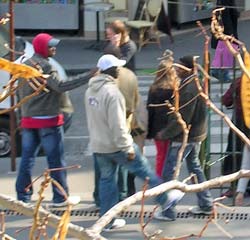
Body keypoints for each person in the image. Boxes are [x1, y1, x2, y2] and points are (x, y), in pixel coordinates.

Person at [85, 54, 184, 231]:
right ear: (111, 70)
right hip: (117, 144)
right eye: (117, 68)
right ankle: (165, 197)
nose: (119, 71)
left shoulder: (90, 90)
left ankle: (106, 220)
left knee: (107, 181)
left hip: (99, 145)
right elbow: (118, 124)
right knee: (144, 169)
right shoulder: (112, 93)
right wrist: (127, 147)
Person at [16, 33, 97, 206]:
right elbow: (61, 86)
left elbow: (18, 94)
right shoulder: (46, 67)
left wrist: (20, 117)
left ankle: (22, 197)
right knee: (56, 160)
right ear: (42, 49)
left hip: (29, 120)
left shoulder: (25, 65)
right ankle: (60, 197)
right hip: (49, 121)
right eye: (51, 46)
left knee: (27, 159)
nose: (54, 48)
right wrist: (88, 75)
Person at [157, 55, 213, 216]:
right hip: (196, 135)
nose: (176, 69)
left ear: (187, 69)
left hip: (184, 137)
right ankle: (206, 204)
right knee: (195, 168)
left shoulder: (189, 89)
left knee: (170, 172)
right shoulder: (194, 82)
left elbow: (182, 118)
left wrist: (165, 133)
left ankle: (168, 211)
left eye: (179, 67)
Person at [105, 20, 140, 197]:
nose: (109, 38)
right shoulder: (112, 45)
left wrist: (115, 47)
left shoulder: (129, 46)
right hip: (114, 90)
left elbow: (120, 63)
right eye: (108, 35)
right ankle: (121, 189)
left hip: (126, 91)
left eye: (111, 34)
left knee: (127, 142)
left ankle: (128, 189)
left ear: (120, 33)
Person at [221, 77, 250, 197]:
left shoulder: (240, 81)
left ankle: (235, 187)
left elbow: (227, 100)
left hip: (241, 122)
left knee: (235, 154)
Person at [146, 58, 175, 177]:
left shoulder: (154, 88)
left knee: (160, 155)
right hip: (171, 127)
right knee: (171, 156)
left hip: (157, 128)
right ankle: (169, 178)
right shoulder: (174, 89)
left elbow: (150, 110)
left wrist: (149, 131)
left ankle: (159, 178)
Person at [211, 0, 239, 82]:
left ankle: (218, 71)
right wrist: (230, 33)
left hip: (225, 31)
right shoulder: (225, 1)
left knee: (224, 52)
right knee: (227, 51)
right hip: (226, 32)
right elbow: (225, 17)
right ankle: (221, 73)